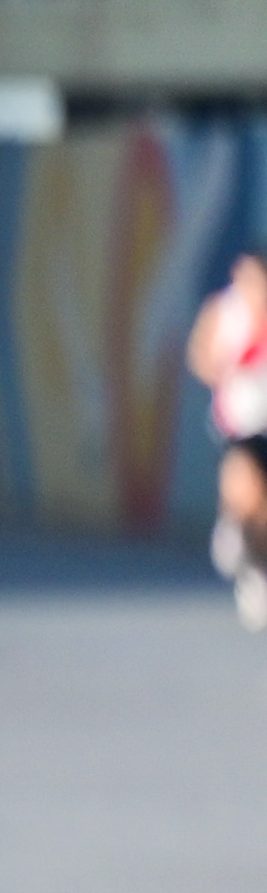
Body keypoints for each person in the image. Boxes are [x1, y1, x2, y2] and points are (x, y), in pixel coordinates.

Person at [187, 253, 267, 627]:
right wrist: (220, 366)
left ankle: (256, 570)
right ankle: (231, 527)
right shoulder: (224, 312)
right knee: (243, 488)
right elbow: (200, 356)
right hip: (239, 424)